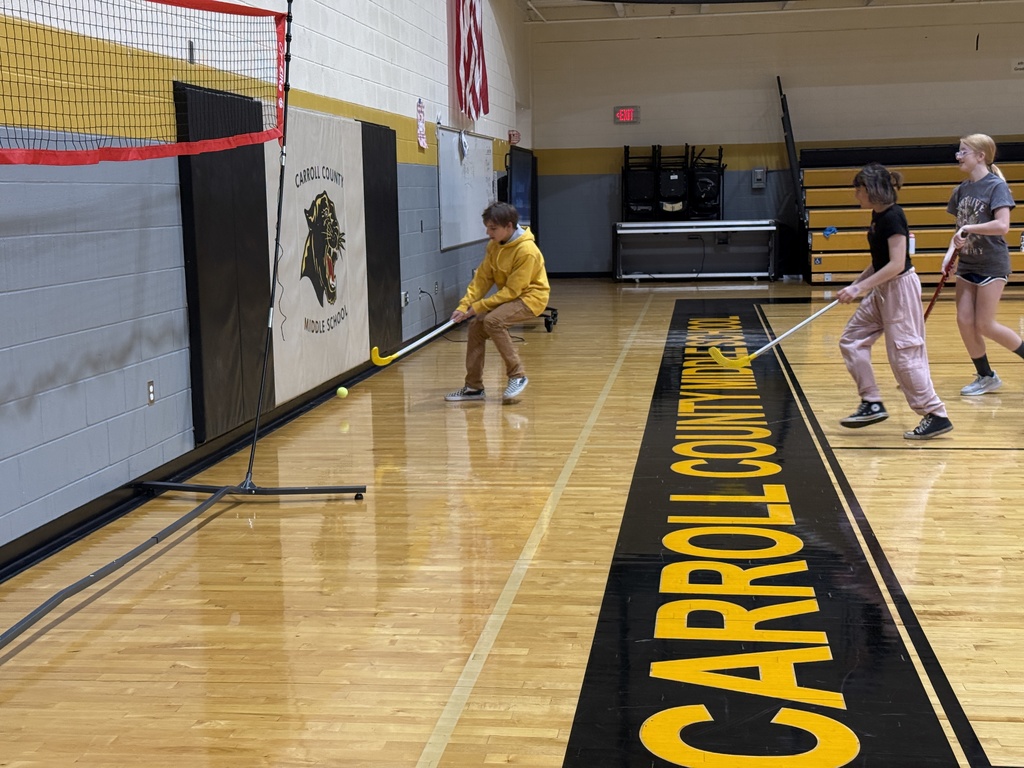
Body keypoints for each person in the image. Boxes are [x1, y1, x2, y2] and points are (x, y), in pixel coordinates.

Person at [837, 163, 953, 440]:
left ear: (870, 190)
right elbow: (880, 261)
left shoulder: (893, 217)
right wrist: (856, 285)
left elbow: (897, 264)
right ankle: (872, 402)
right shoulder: (878, 216)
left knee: (904, 354)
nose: (856, 195)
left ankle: (936, 414)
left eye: (858, 189)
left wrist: (860, 288)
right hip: (881, 289)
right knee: (852, 339)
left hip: (899, 289)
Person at [444, 202, 550, 402]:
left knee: (493, 321)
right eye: (487, 227)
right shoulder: (494, 245)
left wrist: (478, 307)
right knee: (476, 326)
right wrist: (464, 305)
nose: (488, 232)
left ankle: (517, 375)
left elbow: (513, 291)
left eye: (493, 228)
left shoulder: (527, 251)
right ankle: (473, 387)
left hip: (530, 298)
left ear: (509, 226)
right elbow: (482, 279)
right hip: (510, 296)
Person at [945, 133, 1022, 396]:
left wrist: (969, 228)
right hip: (967, 264)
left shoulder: (996, 186)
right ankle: (986, 376)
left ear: (980, 156)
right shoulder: (961, 190)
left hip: (991, 264)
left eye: (963, 151)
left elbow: (1002, 226)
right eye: (958, 151)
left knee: (985, 324)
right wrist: (949, 256)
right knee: (964, 321)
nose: (958, 156)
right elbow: (958, 230)